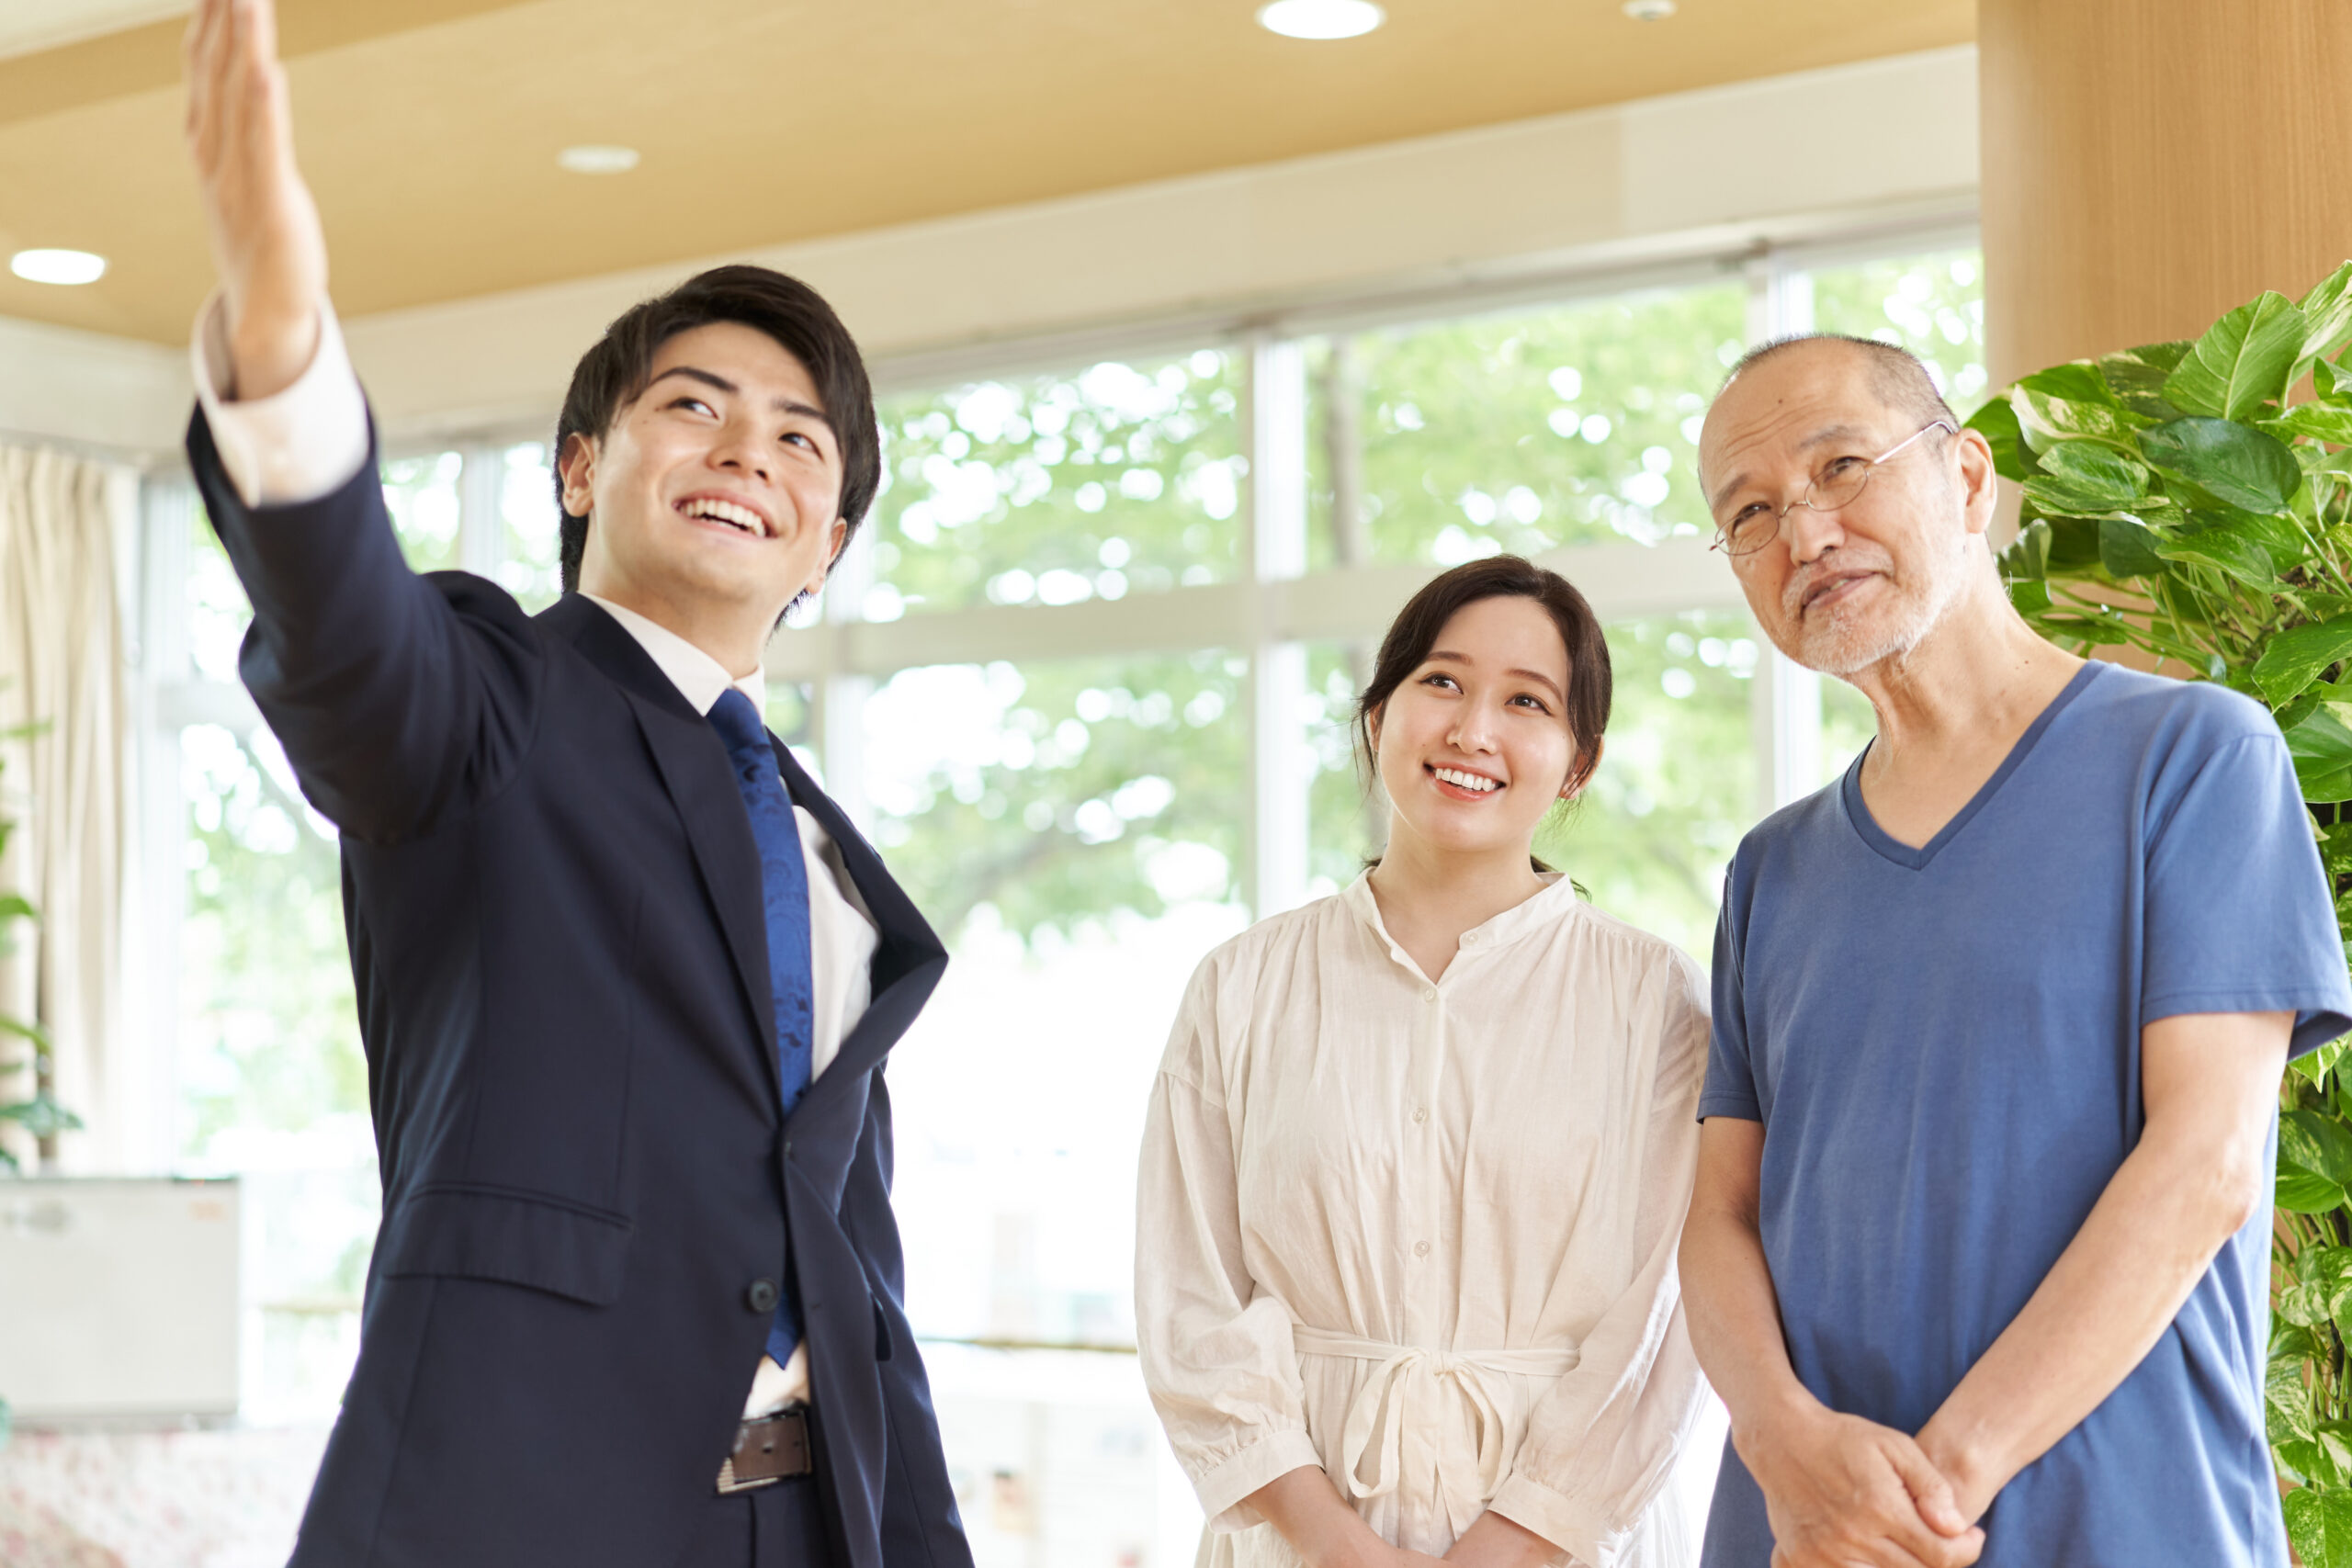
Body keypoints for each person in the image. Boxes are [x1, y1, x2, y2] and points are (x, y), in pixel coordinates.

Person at [178, 3, 971, 1563]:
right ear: (580, 466)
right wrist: (279, 334)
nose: (750, 449)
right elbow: (351, 640)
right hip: (524, 1506)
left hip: (811, 1523)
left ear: (827, 546)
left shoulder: (826, 848)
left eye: (803, 441)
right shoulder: (491, 707)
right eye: (694, 406)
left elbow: (851, 1271)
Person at [1680, 333, 2352, 1568]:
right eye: (1752, 512)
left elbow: (2205, 1163)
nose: (1806, 533)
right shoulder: (1772, 869)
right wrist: (1783, 1448)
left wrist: (1925, 1496)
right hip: (1808, 1534)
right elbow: (1716, 1217)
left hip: (2118, 1519)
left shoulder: (2195, 758)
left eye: (1843, 466)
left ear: (1971, 481)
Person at [1136, 555, 1712, 1568]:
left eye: (1526, 701)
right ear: (1377, 716)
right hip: (1299, 1545)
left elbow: (1664, 1316)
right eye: (1440, 681)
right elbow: (1191, 1301)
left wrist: (1509, 1547)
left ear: (1577, 762)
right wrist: (1342, 1550)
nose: (1471, 730)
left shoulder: (1655, 1000)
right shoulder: (1242, 985)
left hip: (1564, 1543)